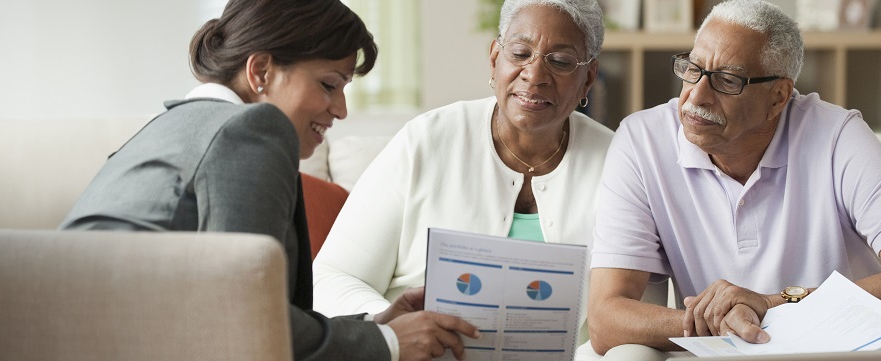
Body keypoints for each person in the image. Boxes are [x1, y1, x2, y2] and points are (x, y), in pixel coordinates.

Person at [60, 0, 478, 360]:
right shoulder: (251, 129)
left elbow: (229, 304)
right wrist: (387, 342)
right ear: (260, 71)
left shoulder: (169, 126)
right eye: (329, 84)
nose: (341, 110)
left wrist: (375, 322)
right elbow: (241, 313)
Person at [584, 0, 881, 360]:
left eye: (726, 81)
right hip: (716, 348)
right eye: (692, 69)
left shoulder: (838, 135)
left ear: (778, 98)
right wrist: (723, 322)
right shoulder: (641, 140)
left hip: (838, 344)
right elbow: (605, 319)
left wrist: (773, 304)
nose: (696, 96)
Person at [312, 0, 611, 329]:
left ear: (588, 78)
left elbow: (628, 313)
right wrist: (396, 330)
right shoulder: (426, 140)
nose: (535, 75)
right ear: (495, 58)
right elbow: (333, 276)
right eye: (520, 54)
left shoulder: (618, 163)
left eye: (560, 61)